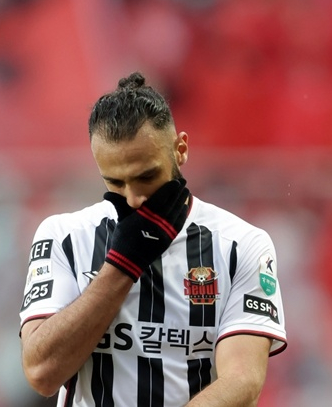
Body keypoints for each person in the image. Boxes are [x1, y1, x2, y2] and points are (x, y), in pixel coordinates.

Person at [19, 72, 287, 406]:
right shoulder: (65, 237)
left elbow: (243, 381)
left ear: (181, 149)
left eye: (147, 176)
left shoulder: (241, 245)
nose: (134, 199)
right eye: (115, 182)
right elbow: (41, 373)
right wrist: (123, 263)